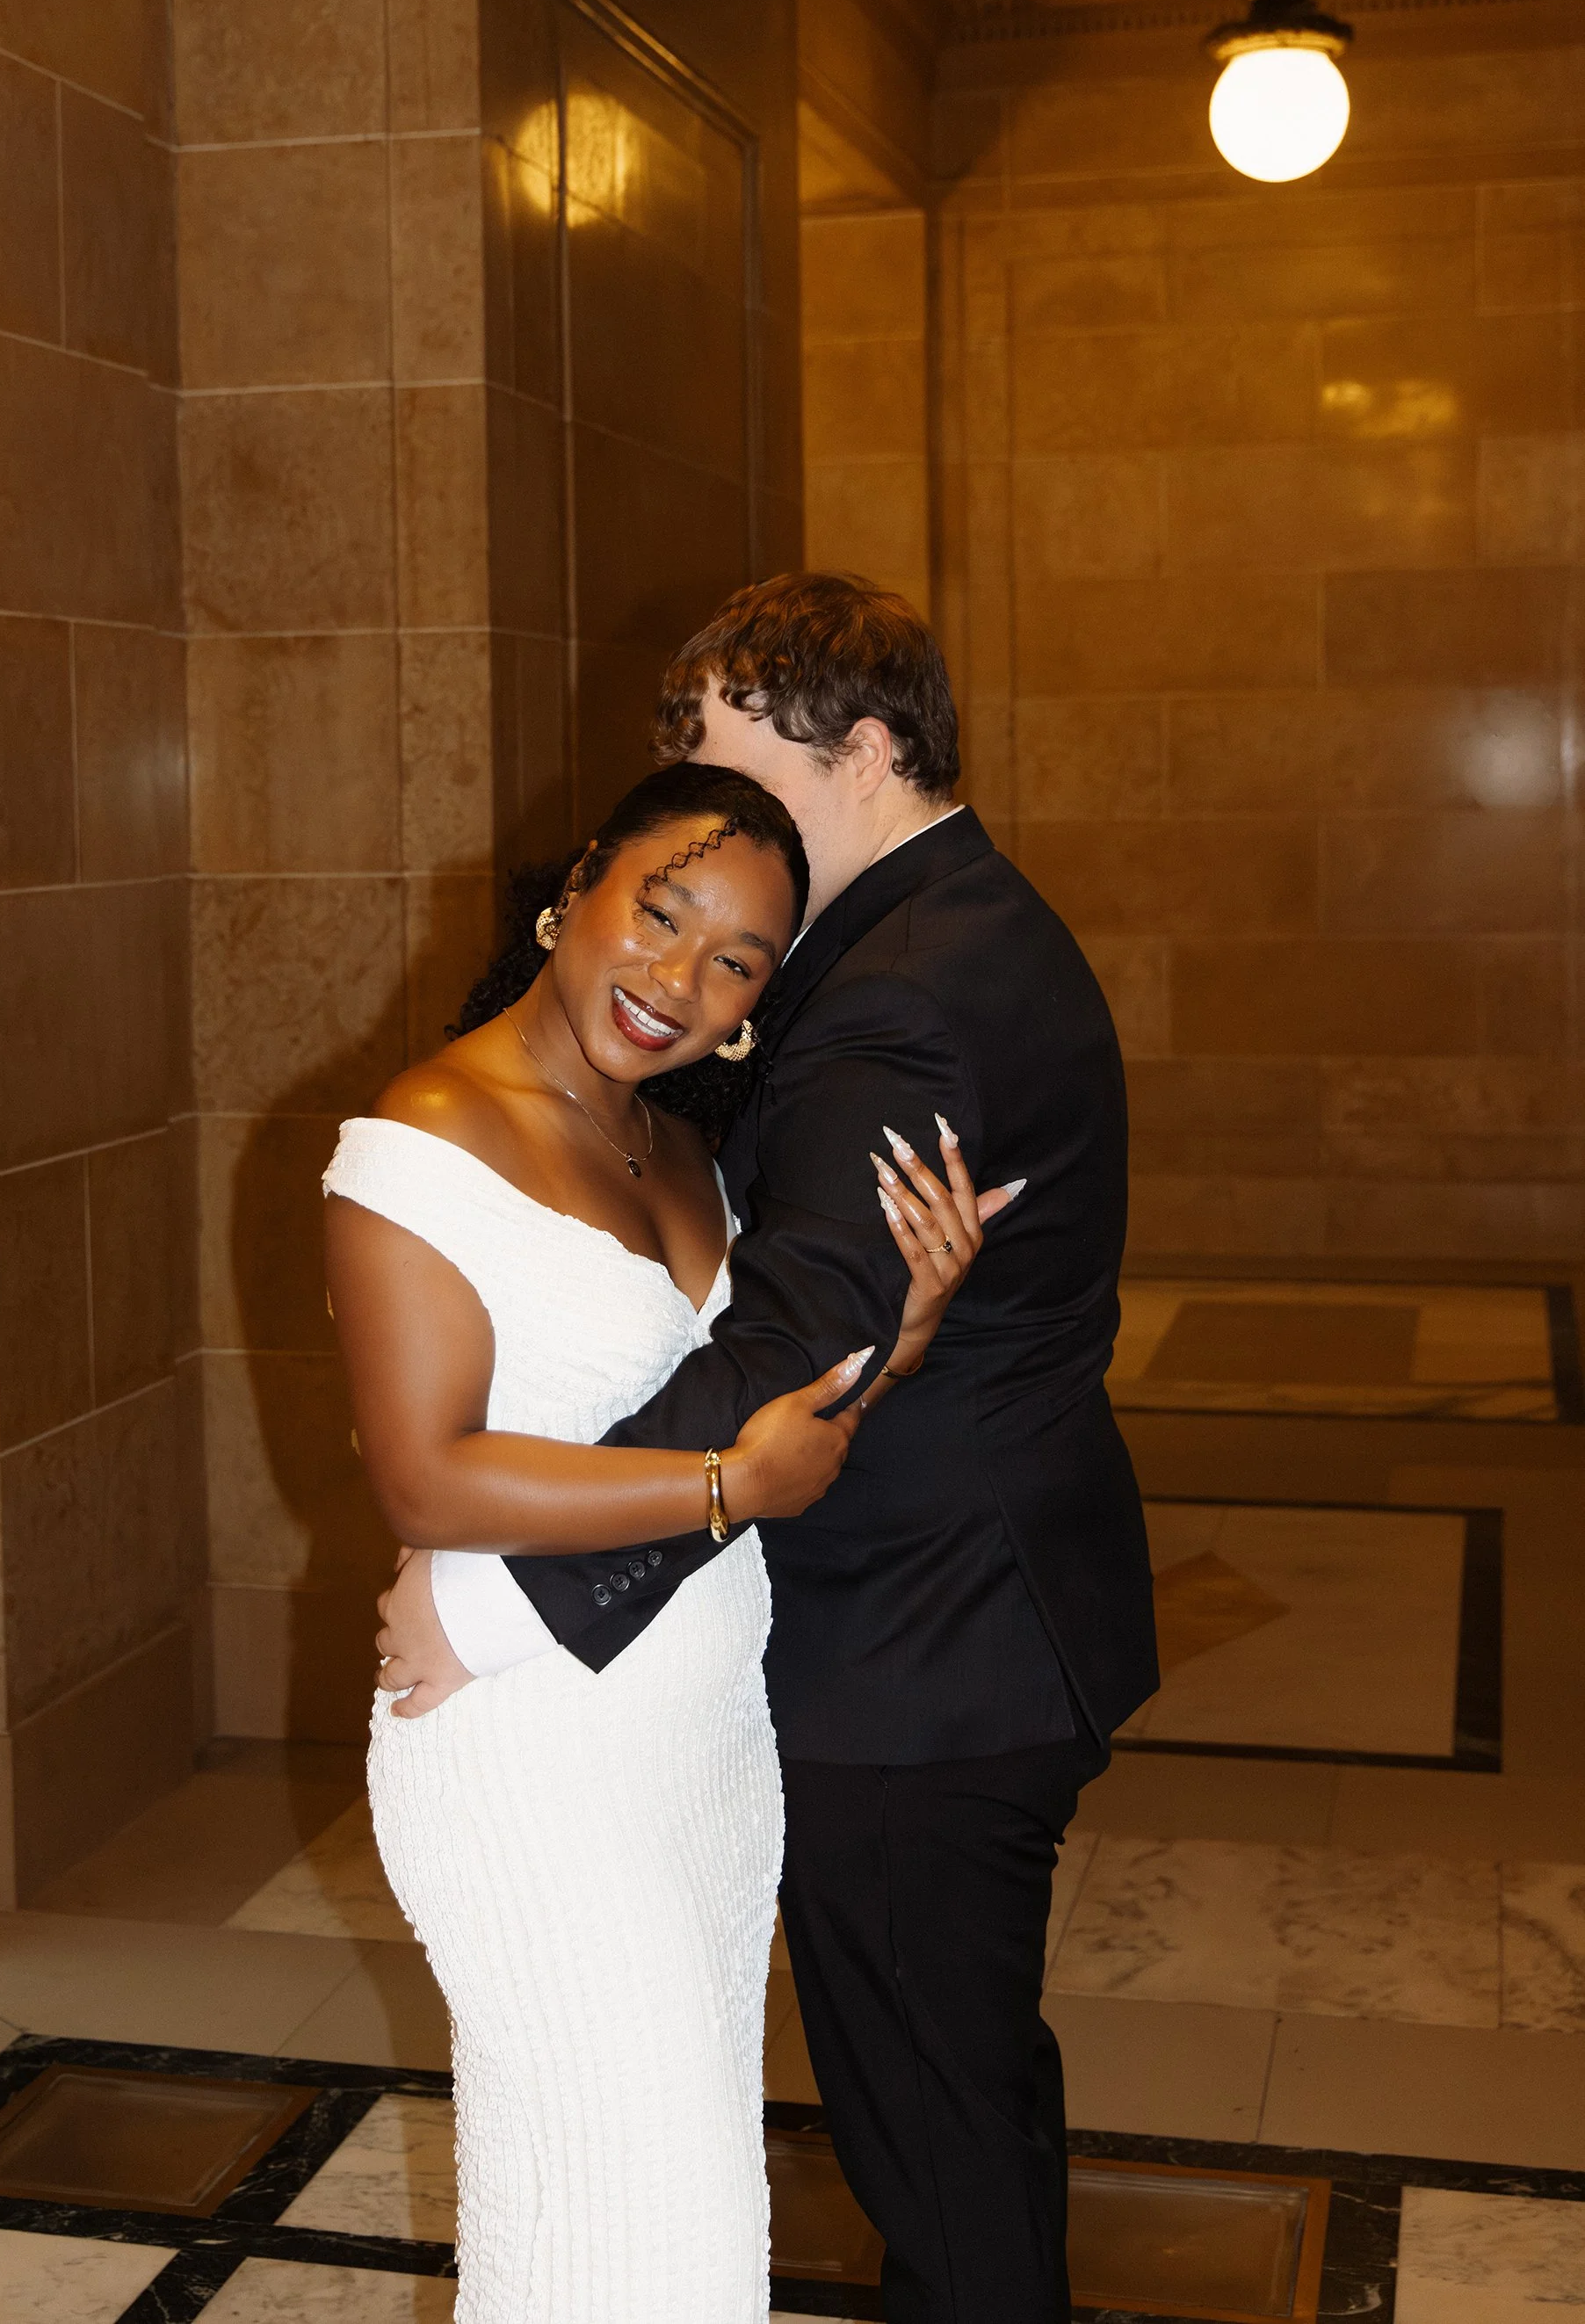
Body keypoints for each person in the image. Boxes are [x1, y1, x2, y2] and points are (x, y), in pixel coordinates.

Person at [377, 576, 1160, 2324]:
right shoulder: (946, 928)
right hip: (981, 1616)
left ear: (867, 748)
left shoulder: (905, 991)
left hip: (923, 1651)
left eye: (737, 762)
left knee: (939, 2140)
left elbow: (798, 1348)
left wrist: (503, 1595)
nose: (719, 816)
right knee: (964, 2101)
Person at [322, 762, 1011, 2324]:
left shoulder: (686, 1154)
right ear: (579, 890)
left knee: (663, 2226)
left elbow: (769, 1425)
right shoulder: (422, 1136)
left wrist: (906, 1328)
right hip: (530, 1761)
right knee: (636, 2229)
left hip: (695, 1746)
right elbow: (426, 1481)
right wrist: (719, 1487)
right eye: (664, 910)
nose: (679, 980)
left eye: (736, 962)